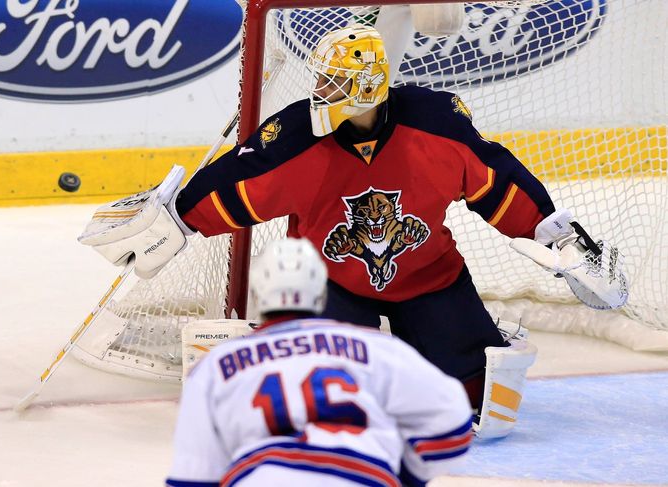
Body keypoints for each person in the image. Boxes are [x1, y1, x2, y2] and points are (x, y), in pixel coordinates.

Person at [80, 25, 627, 438]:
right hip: (328, 283)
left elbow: (498, 178)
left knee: (471, 411)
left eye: (335, 81)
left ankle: (474, 336)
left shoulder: (433, 125)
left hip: (429, 278)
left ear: (368, 85)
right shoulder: (295, 134)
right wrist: (178, 217)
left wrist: (561, 237)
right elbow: (237, 180)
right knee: (328, 419)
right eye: (322, 78)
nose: (322, 90)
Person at [165, 238, 473, 487]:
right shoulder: (379, 347)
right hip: (363, 476)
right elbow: (453, 418)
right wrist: (406, 477)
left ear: (258, 296)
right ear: (321, 293)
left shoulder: (216, 365)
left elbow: (192, 478)